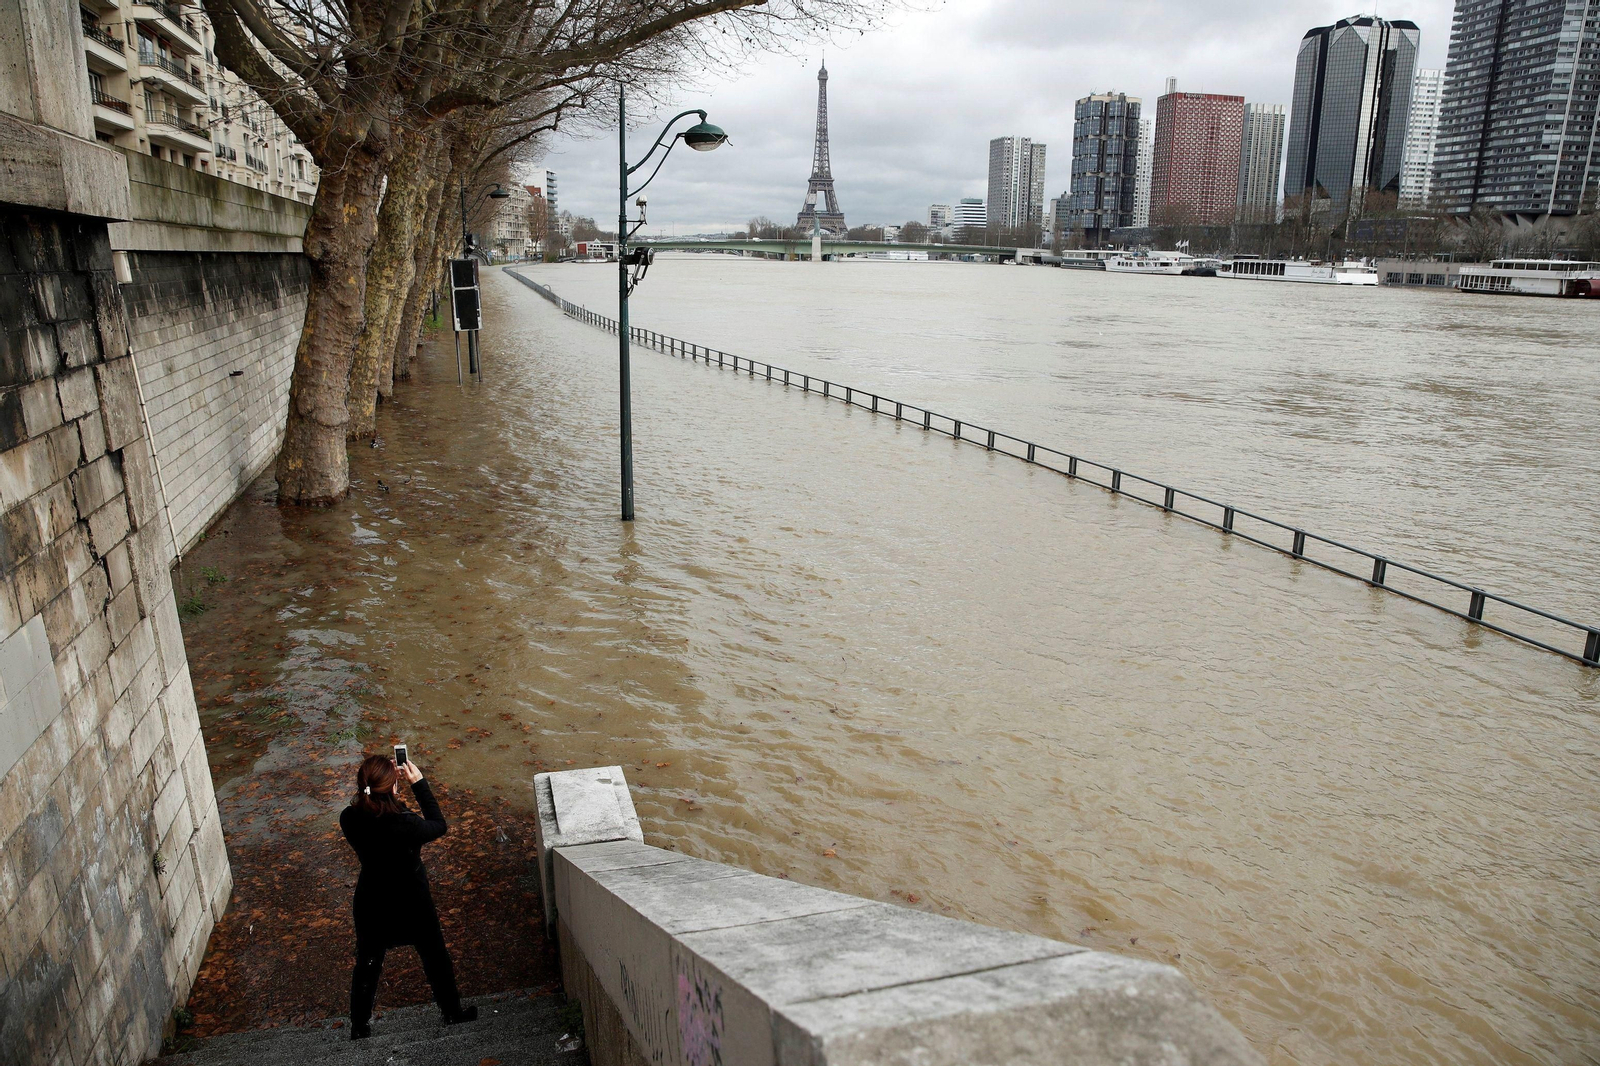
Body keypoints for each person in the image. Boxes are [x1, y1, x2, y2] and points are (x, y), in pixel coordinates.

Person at [339, 753, 478, 1038]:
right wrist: (419, 784)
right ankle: (452, 1013)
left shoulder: (349, 818)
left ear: (363, 786)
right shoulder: (408, 824)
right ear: (393, 787)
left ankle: (359, 1026)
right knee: (435, 957)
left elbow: (372, 813)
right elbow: (439, 824)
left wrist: (386, 786)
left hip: (372, 901)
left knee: (367, 963)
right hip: (412, 901)